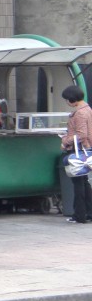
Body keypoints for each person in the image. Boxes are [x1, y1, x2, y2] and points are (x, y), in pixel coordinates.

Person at [61, 85, 92, 224]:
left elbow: (81, 134)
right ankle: (88, 212)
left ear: (72, 100)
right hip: (86, 149)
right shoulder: (87, 109)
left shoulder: (79, 113)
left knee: (78, 182)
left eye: (67, 100)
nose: (67, 102)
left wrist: (65, 141)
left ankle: (80, 215)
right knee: (85, 182)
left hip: (79, 150)